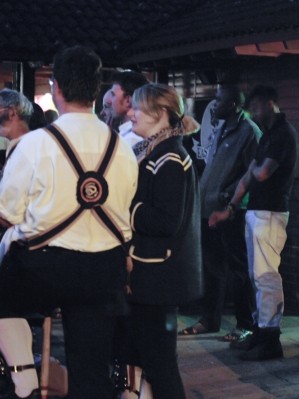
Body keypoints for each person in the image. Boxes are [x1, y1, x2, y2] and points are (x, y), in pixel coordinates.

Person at [0, 45, 139, 399]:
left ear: (56, 89)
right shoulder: (123, 148)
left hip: (42, 271)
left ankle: (23, 375)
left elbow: (6, 214)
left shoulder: (34, 144)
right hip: (104, 273)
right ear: (96, 90)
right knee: (91, 374)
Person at [122, 83, 203, 398]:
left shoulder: (169, 158)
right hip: (151, 273)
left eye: (138, 109)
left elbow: (167, 221)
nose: (132, 114)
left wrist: (127, 206)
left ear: (161, 114)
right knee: (146, 358)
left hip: (159, 275)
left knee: (160, 363)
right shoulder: (155, 152)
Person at [209, 85, 297, 361]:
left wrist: (253, 171)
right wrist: (231, 208)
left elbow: (260, 173)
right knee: (256, 275)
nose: (253, 111)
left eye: (257, 106)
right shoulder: (269, 135)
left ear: (271, 103)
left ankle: (270, 338)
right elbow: (251, 174)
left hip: (270, 213)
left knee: (266, 276)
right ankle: (260, 333)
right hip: (258, 212)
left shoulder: (283, 135)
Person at [179, 85, 260, 341]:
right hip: (209, 209)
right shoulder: (221, 128)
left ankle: (245, 324)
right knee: (213, 269)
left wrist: (229, 201)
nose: (214, 104)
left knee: (238, 270)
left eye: (219, 99)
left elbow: (252, 174)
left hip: (231, 212)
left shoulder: (249, 132)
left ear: (234, 104)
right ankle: (210, 320)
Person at [106, 71, 149, 156]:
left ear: (128, 101)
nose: (110, 101)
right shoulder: (128, 135)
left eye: (113, 95)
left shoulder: (131, 140)